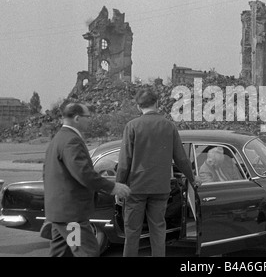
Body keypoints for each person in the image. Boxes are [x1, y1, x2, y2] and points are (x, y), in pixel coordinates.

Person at [116, 88, 201, 257]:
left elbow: (125, 161)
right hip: (161, 187)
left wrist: (118, 185)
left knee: (132, 232)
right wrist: (192, 178)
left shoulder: (132, 126)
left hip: (136, 187)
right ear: (157, 103)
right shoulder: (169, 126)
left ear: (139, 106)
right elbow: (181, 159)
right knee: (158, 230)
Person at [43, 102, 131, 257]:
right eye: (87, 117)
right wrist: (113, 187)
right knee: (86, 252)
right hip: (72, 216)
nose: (90, 120)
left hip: (60, 212)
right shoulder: (71, 140)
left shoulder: (58, 138)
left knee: (62, 252)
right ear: (77, 118)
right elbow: (83, 173)